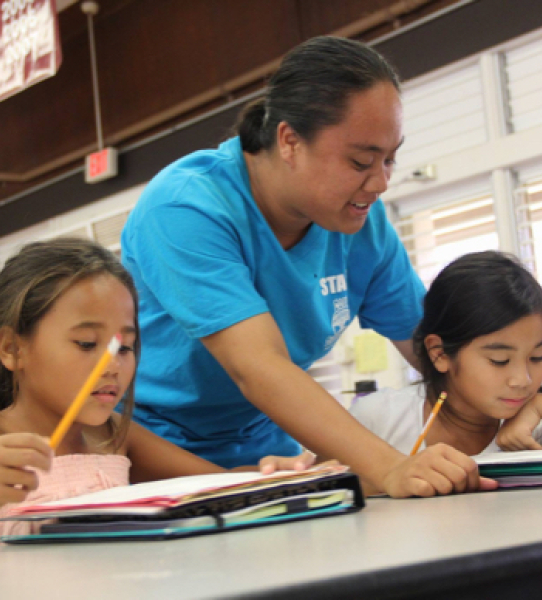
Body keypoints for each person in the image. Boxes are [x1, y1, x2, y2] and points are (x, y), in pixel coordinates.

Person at [121, 35, 498, 498]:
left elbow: (436, 353)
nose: (380, 182)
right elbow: (258, 366)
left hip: (265, 448)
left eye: (390, 158)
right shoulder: (188, 207)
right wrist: (390, 467)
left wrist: (523, 395)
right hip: (153, 445)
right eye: (361, 160)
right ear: (289, 141)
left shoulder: (365, 227)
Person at [0, 238, 304, 551]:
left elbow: (210, 485)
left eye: (126, 347)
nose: (112, 366)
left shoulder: (113, 435)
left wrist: (272, 475)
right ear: (12, 348)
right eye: (86, 343)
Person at [349, 251, 542, 457]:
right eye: (500, 361)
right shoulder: (377, 420)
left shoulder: (534, 428)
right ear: (439, 354)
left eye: (537, 357)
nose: (523, 380)